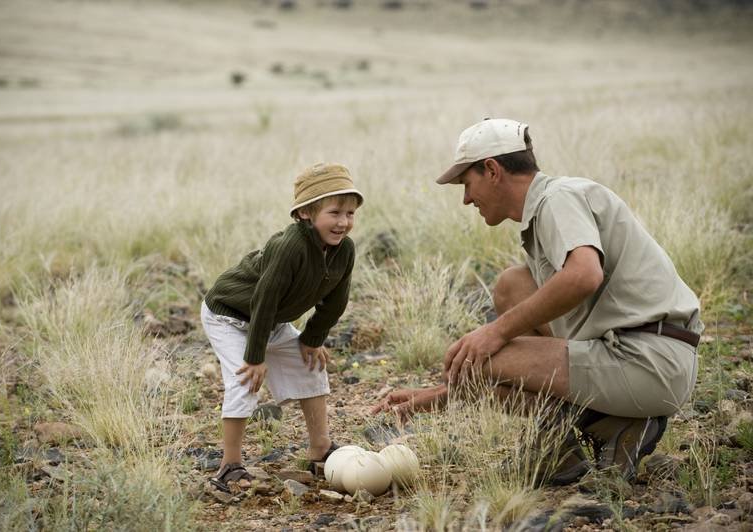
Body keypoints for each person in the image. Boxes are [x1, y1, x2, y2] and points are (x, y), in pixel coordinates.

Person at [372, 118, 702, 486]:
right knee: (512, 285)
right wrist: (433, 397)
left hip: (650, 361)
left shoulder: (556, 199)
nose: (466, 199)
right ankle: (583, 439)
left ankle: (602, 430)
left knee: (480, 356)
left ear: (492, 170)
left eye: (467, 184)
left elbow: (583, 275)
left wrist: (496, 332)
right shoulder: (550, 204)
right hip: (642, 355)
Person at [201, 163, 362, 491]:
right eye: (334, 212)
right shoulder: (290, 246)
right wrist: (256, 356)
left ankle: (321, 450)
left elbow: (335, 302)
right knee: (245, 380)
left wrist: (312, 339)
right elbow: (264, 299)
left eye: (350, 213)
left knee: (311, 368)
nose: (343, 222)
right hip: (229, 315)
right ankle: (229, 466)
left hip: (270, 320)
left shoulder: (344, 250)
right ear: (306, 212)